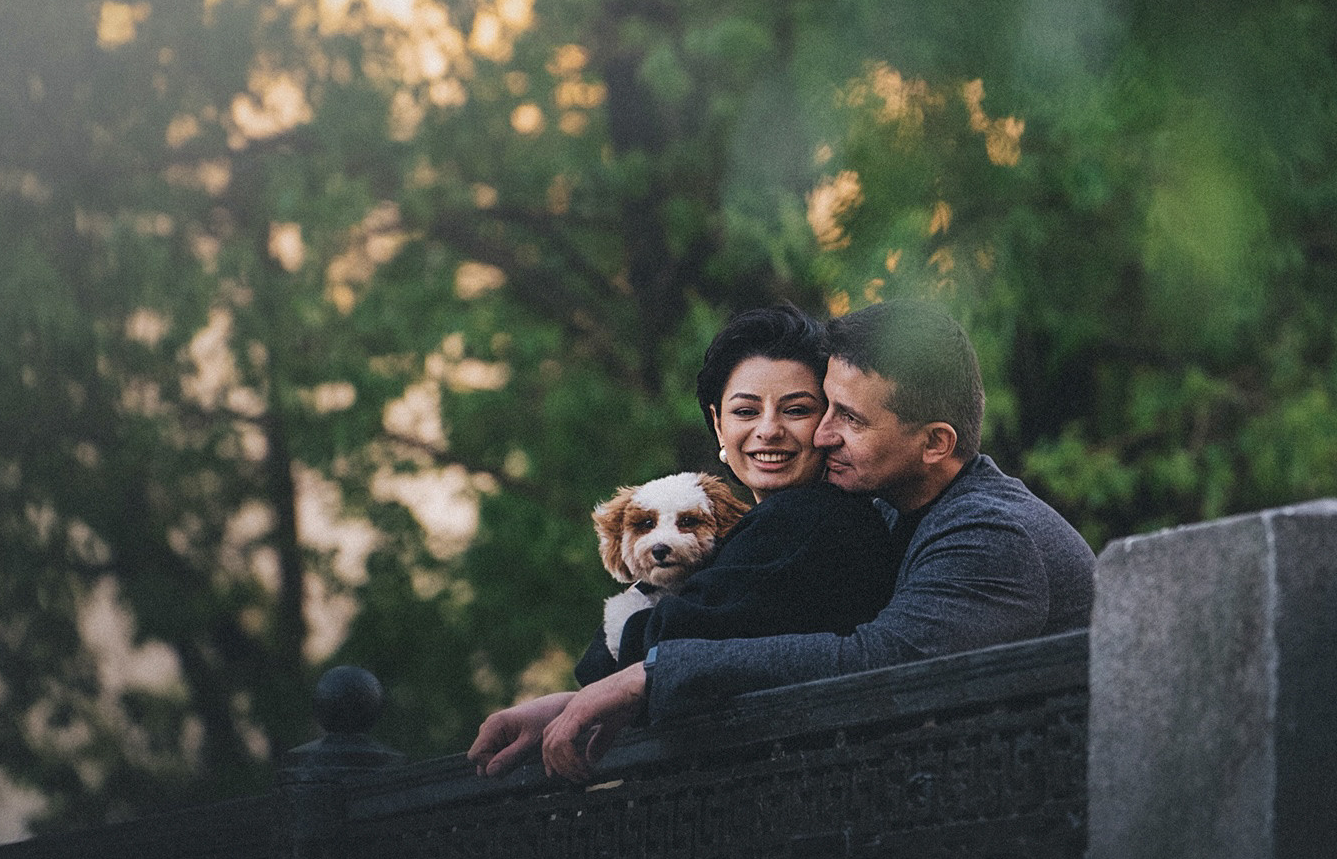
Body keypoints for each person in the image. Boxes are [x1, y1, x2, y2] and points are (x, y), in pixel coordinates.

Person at [470, 300, 1097, 782]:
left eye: (847, 418)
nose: (820, 435)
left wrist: (647, 679)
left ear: (935, 443)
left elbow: (879, 664)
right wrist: (579, 701)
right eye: (826, 409)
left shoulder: (989, 532)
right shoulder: (891, 511)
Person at [469, 304, 903, 775]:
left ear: (829, 420)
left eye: (797, 410)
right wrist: (570, 704)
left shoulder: (810, 517)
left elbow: (671, 642)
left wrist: (602, 668)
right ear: (718, 425)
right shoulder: (772, 527)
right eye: (746, 411)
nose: (768, 430)